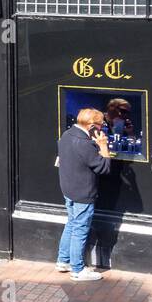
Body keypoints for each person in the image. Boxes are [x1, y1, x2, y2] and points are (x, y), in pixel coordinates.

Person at [56, 107, 112, 281]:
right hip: (83, 192)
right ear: (92, 126)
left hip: (68, 189)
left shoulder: (66, 135)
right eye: (101, 125)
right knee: (80, 229)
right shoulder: (85, 144)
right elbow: (104, 168)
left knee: (72, 223)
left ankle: (63, 261)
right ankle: (78, 270)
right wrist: (103, 145)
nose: (102, 129)